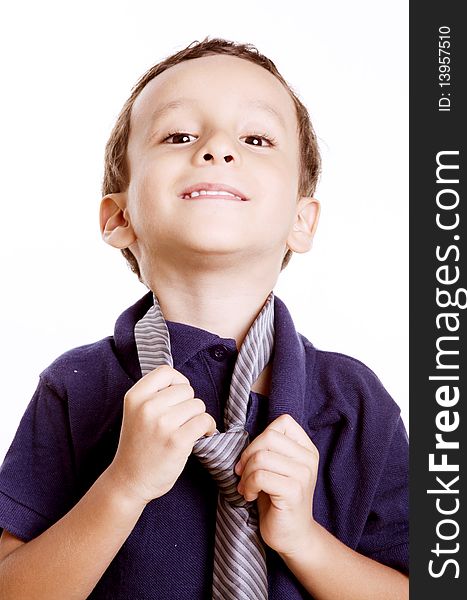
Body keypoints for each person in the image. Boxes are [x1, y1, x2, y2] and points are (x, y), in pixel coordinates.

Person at [0, 37, 408, 599]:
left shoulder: (356, 401)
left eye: (256, 138)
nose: (217, 149)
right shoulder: (76, 388)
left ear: (302, 220)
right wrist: (122, 487)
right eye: (179, 136)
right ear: (120, 217)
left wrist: (303, 539)